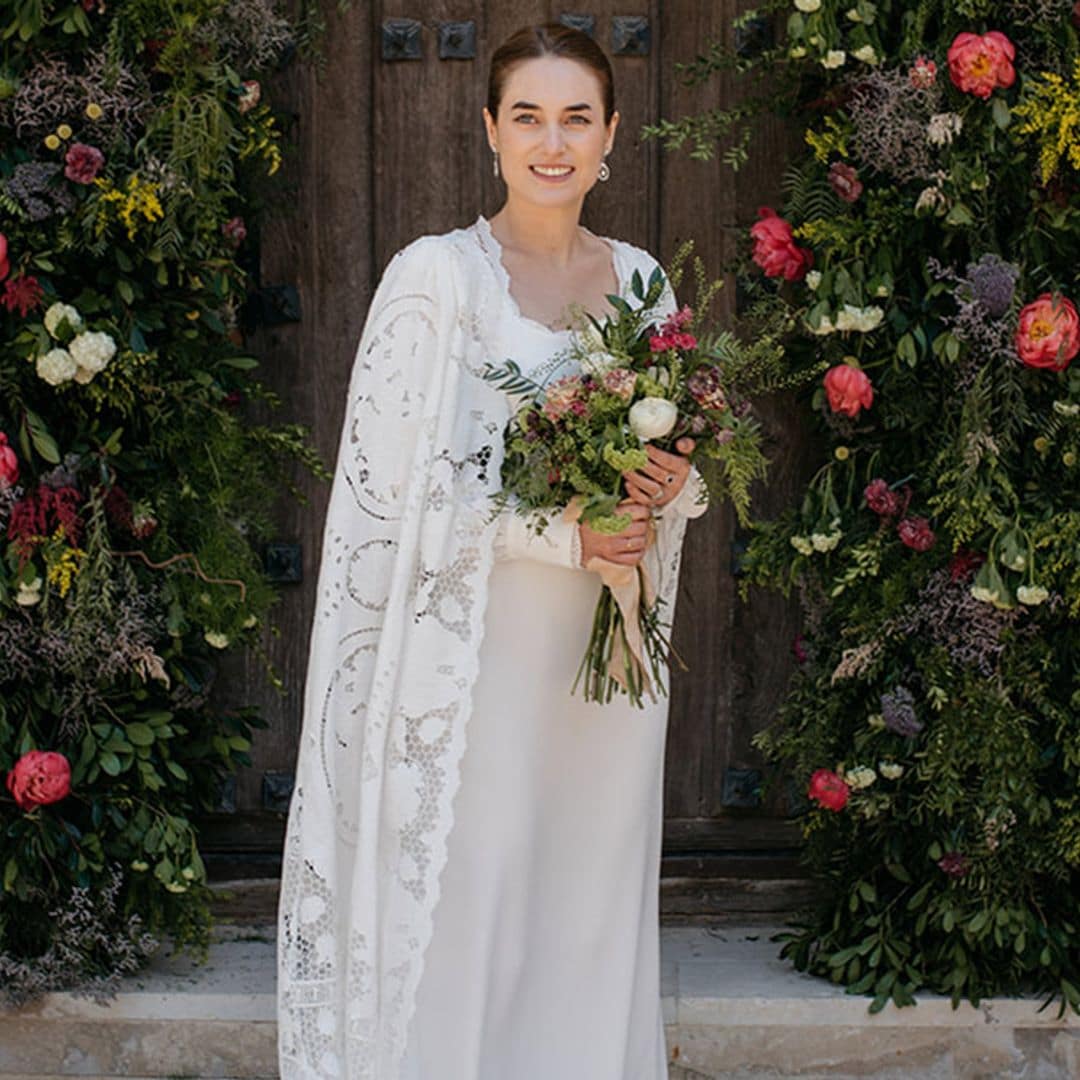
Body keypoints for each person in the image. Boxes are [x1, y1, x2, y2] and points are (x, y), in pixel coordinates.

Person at [277, 22, 707, 1080]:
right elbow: (395, 495)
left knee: (588, 894)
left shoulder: (647, 282)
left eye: (575, 118)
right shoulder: (437, 281)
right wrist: (565, 531)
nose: (550, 143)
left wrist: (669, 488)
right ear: (490, 132)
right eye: (528, 117)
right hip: (476, 664)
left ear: (612, 135)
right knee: (479, 887)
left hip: (604, 664)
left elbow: (688, 461)